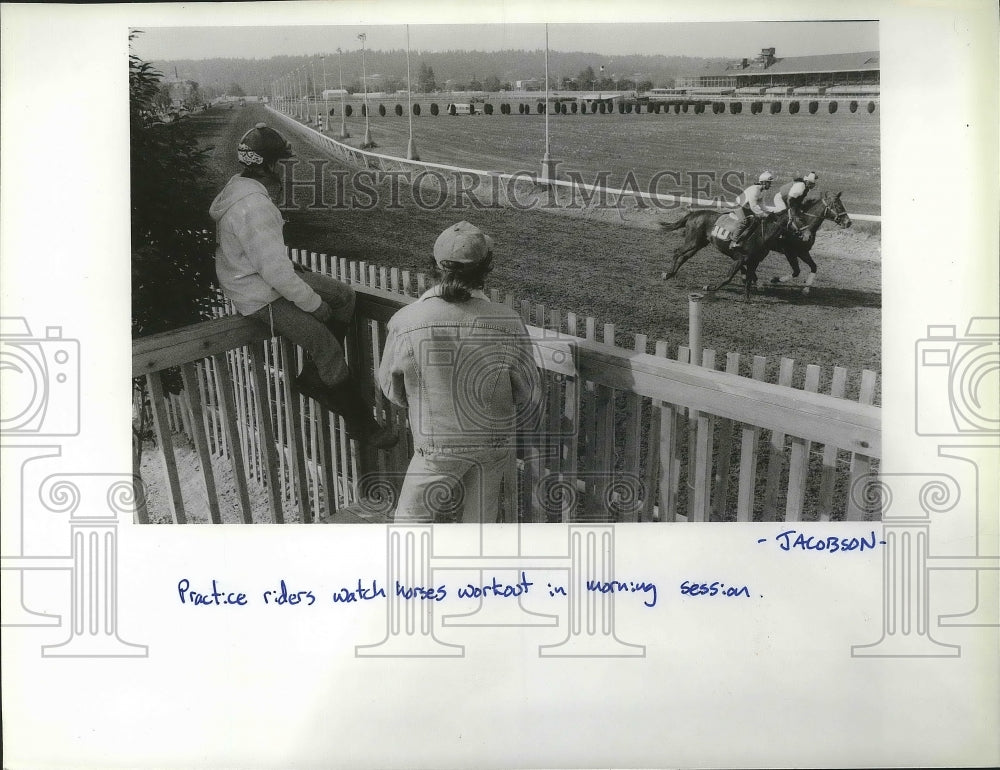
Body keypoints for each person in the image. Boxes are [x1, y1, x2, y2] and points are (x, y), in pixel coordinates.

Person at [210, 122, 397, 448]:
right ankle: (364, 427)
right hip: (255, 292)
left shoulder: (240, 187)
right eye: (280, 163)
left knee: (344, 295)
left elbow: (267, 258)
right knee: (326, 345)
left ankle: (316, 375)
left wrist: (302, 279)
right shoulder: (255, 206)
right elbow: (276, 273)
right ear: (267, 164)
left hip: (253, 274)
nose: (284, 170)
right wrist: (313, 305)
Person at [378, 221, 543, 524]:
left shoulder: (406, 320)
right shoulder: (507, 320)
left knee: (410, 524)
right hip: (492, 441)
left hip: (436, 443)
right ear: (485, 268)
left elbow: (392, 391)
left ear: (435, 265)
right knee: (479, 527)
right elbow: (527, 391)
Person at [729, 171, 776, 250]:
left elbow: (762, 205)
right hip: (739, 206)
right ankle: (733, 242)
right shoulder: (755, 190)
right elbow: (753, 206)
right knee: (744, 222)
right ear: (764, 182)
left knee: (756, 221)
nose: (770, 185)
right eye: (769, 183)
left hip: (746, 207)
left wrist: (769, 212)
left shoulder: (763, 191)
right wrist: (763, 214)